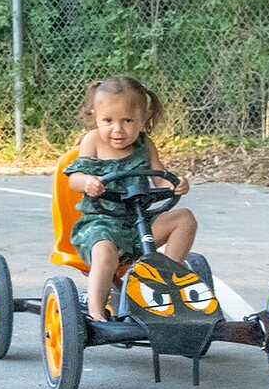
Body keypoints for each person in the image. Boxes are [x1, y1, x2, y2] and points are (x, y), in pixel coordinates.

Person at [64, 76, 197, 321]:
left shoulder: (145, 145)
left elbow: (160, 177)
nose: (118, 129)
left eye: (127, 121)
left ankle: (162, 280)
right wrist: (87, 182)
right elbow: (74, 178)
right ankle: (96, 310)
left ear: (143, 119)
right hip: (100, 225)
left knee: (185, 219)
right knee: (105, 253)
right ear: (95, 116)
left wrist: (175, 183)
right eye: (108, 121)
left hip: (139, 223)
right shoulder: (92, 141)